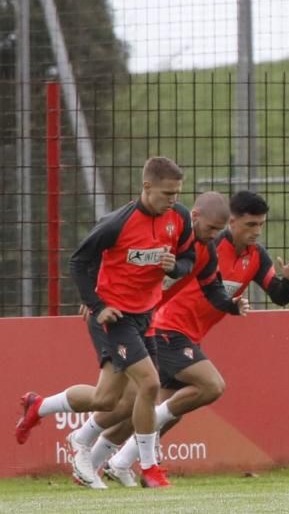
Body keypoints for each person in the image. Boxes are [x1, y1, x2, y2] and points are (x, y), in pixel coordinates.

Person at [14, 157, 196, 490]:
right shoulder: (116, 223)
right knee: (150, 385)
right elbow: (79, 261)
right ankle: (149, 467)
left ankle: (40, 406)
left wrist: (175, 267)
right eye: (167, 193)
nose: (172, 200)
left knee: (110, 401)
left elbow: (189, 259)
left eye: (176, 193)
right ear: (147, 187)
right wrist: (97, 306)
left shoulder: (179, 217)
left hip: (145, 315)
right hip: (114, 316)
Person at [99, 190, 289, 487]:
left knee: (160, 413)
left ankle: (105, 461)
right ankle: (113, 458)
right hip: (167, 328)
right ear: (231, 222)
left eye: (261, 225)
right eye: (250, 225)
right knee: (211, 385)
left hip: (190, 336)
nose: (256, 231)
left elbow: (279, 295)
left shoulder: (256, 256)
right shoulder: (208, 244)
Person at [68, 191, 250, 489]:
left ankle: (104, 457)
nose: (215, 236)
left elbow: (209, 286)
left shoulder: (202, 249)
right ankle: (141, 465)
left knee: (124, 400)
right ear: (194, 217)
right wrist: (95, 299)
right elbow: (109, 247)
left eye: (220, 231)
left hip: (147, 323)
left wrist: (232, 305)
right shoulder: (168, 229)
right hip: (148, 324)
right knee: (192, 387)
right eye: (212, 229)